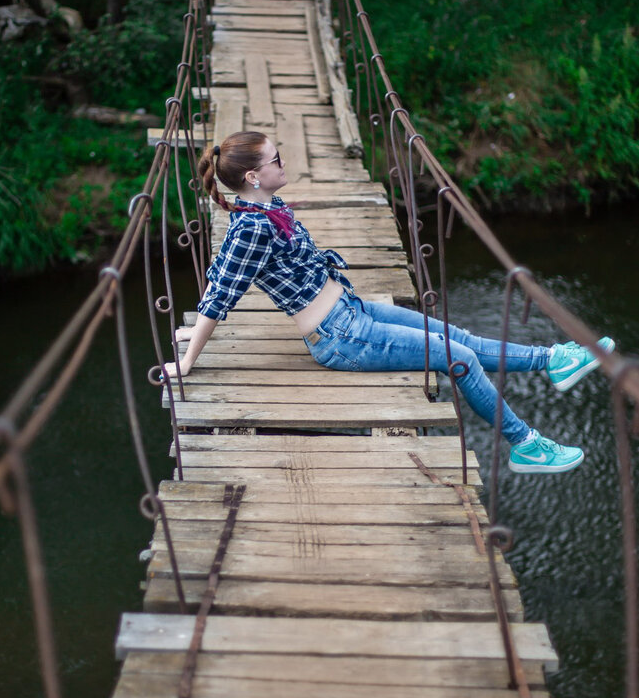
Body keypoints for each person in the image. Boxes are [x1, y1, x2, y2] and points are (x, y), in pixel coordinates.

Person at [163, 130, 614, 473]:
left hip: (352, 312)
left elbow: (221, 272)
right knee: (456, 357)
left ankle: (552, 360)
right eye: (275, 159)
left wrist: (191, 330)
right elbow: (224, 290)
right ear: (253, 176)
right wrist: (189, 359)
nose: (284, 162)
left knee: (456, 336)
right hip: (342, 340)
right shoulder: (252, 227)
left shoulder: (264, 210)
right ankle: (526, 445)